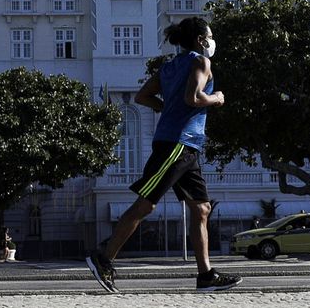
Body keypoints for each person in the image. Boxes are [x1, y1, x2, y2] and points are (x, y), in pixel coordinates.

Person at [86, 16, 240, 293]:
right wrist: (216, 98)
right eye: (210, 36)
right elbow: (193, 98)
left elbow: (142, 96)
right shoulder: (201, 62)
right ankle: (103, 258)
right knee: (146, 205)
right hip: (177, 144)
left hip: (186, 147)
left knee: (201, 208)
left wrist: (165, 109)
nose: (212, 41)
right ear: (201, 40)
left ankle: (206, 275)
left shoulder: (169, 66)